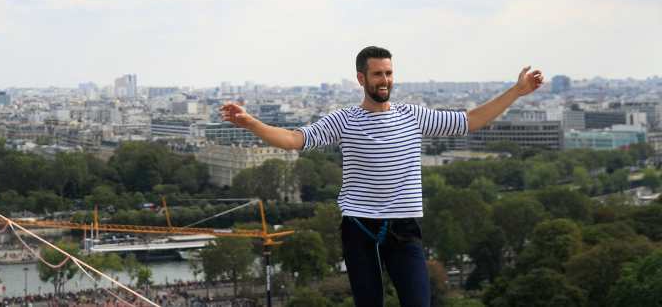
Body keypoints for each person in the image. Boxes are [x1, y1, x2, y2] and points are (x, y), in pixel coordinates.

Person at [219, 45, 544, 307]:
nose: (385, 80)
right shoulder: (344, 120)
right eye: (377, 74)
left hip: (404, 226)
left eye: (388, 73)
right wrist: (251, 123)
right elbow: (294, 140)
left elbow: (470, 120)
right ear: (361, 78)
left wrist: (516, 91)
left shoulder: (413, 116)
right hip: (359, 226)